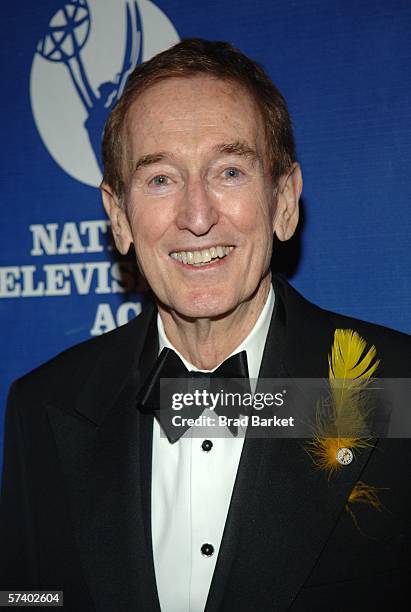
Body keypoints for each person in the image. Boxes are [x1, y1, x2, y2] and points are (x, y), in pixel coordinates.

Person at [1, 38, 410, 611]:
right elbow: (28, 598)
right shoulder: (44, 406)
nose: (197, 217)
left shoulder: (397, 390)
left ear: (284, 201)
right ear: (119, 217)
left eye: (230, 171)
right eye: (161, 179)